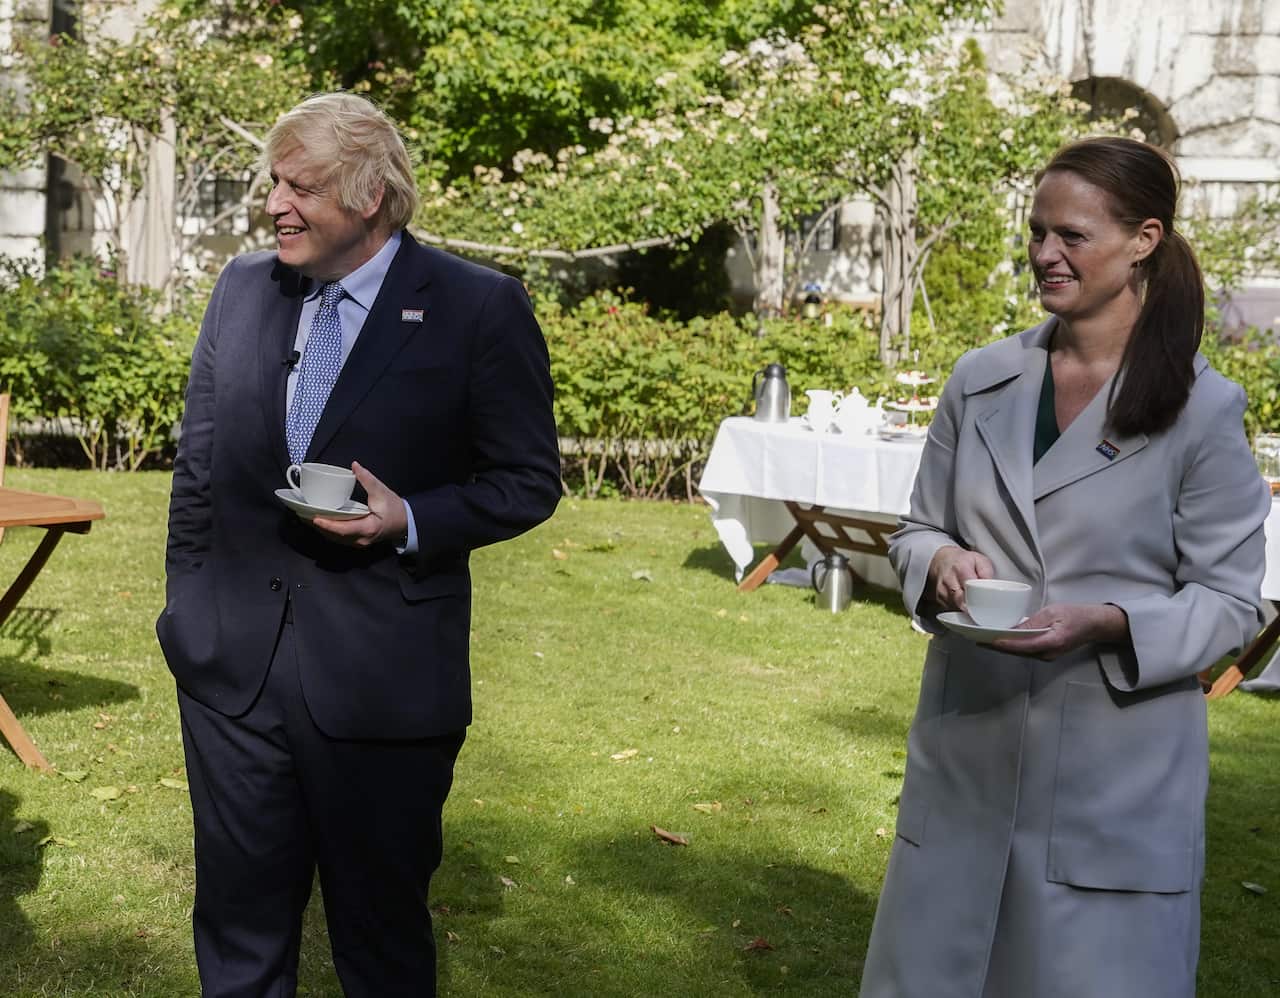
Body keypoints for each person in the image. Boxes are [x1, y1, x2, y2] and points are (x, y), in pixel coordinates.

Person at [156, 92, 560, 997]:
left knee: (379, 945)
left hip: (383, 683)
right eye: (274, 183)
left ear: (370, 195)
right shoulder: (243, 290)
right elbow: (202, 465)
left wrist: (407, 519)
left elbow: (528, 481)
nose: (274, 205)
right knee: (238, 932)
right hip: (230, 675)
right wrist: (188, 614)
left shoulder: (477, 307)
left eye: (301, 186)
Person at [858, 136, 1269, 998]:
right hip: (966, 749)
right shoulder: (979, 380)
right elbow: (914, 529)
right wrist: (938, 560)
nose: (1044, 253)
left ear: (1144, 240)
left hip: (1113, 782)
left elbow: (1232, 602)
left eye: (1072, 236)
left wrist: (1115, 623)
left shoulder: (1203, 410)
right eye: (1038, 230)